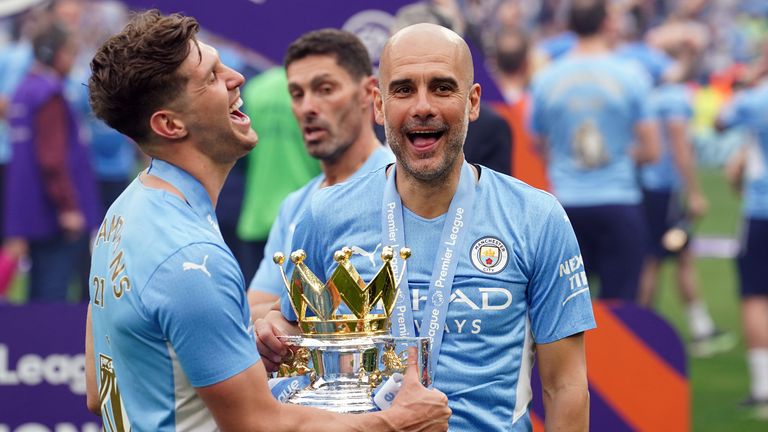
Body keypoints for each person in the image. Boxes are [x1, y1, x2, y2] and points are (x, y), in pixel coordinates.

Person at [84, 10, 450, 431]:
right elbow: (259, 424)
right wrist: (396, 422)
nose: (237, 78)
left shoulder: (125, 214)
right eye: (212, 76)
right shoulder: (191, 257)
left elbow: (99, 390)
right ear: (169, 124)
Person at [257, 23, 596, 431]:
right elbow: (294, 330)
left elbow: (565, 386)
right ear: (379, 107)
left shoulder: (536, 217)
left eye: (441, 87)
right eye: (403, 90)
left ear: (472, 102)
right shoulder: (325, 214)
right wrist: (275, 332)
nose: (422, 106)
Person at [247, 29, 394, 319]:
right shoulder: (295, 205)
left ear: (368, 93)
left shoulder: (401, 187)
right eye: (297, 94)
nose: (307, 108)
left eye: (325, 89)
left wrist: (289, 314)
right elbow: (252, 312)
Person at [529, 0, 660, 301]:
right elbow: (652, 150)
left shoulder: (547, 78)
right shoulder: (631, 74)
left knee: (564, 309)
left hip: (564, 205)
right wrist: (614, 155)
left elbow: (539, 141)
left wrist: (568, 157)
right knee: (622, 308)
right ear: (607, 24)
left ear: (570, 26)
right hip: (618, 199)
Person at [636, 42, 734, 357]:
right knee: (654, 259)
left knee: (679, 254)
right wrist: (693, 191)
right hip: (664, 189)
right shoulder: (674, 97)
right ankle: (641, 327)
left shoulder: (653, 94)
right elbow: (679, 146)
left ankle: (699, 325)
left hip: (653, 187)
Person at [4, 19, 100, 302]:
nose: (72, 60)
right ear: (54, 54)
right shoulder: (50, 94)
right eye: (70, 53)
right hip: (53, 213)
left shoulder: (24, 90)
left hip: (30, 208)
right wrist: (69, 206)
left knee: (38, 290)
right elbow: (52, 158)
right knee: (52, 292)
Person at [236, 67, 321, 283]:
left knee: (256, 308)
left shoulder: (254, 89)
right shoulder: (316, 94)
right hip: (304, 221)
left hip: (256, 218)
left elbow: (240, 156)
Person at [717, 69, 768, 413]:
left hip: (761, 211)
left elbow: (721, 120)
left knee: (755, 296)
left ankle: (763, 386)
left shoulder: (755, 99)